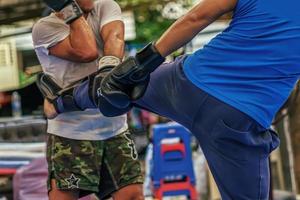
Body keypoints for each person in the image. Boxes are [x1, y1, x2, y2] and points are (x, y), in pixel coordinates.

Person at [40, 0, 300, 199]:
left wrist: (143, 64)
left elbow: (197, 17)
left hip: (187, 83)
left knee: (119, 85)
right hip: (238, 121)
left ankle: (58, 102)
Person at [32, 0, 143, 200]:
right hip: (71, 133)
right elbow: (87, 51)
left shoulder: (105, 6)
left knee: (133, 195)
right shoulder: (44, 28)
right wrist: (68, 10)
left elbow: (115, 37)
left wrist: (108, 71)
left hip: (114, 128)